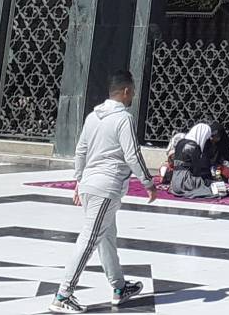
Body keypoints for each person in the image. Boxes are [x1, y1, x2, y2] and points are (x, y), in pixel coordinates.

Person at [51, 69, 154, 312]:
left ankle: (119, 287)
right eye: (133, 91)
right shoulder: (124, 119)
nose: (133, 95)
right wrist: (148, 182)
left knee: (106, 237)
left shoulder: (92, 117)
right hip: (107, 186)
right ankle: (63, 294)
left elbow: (81, 151)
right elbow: (132, 154)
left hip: (90, 184)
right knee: (89, 239)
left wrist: (79, 181)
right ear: (126, 91)